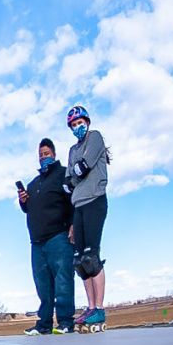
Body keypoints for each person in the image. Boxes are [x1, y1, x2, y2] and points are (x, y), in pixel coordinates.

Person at [18, 138, 75, 335]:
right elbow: (29, 209)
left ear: (54, 154)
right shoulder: (33, 184)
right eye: (41, 155)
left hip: (58, 236)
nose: (43, 157)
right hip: (37, 241)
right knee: (42, 284)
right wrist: (23, 202)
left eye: (46, 154)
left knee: (62, 280)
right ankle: (44, 323)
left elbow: (72, 200)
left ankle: (66, 321)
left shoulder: (63, 174)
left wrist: (73, 224)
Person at [65, 104, 110, 331]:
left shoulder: (95, 137)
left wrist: (76, 174)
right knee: (80, 262)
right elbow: (68, 183)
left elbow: (83, 168)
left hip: (94, 200)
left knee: (91, 256)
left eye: (80, 123)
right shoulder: (72, 150)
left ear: (87, 122)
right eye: (73, 125)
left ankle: (99, 308)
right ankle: (91, 307)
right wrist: (75, 174)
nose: (77, 127)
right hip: (78, 205)